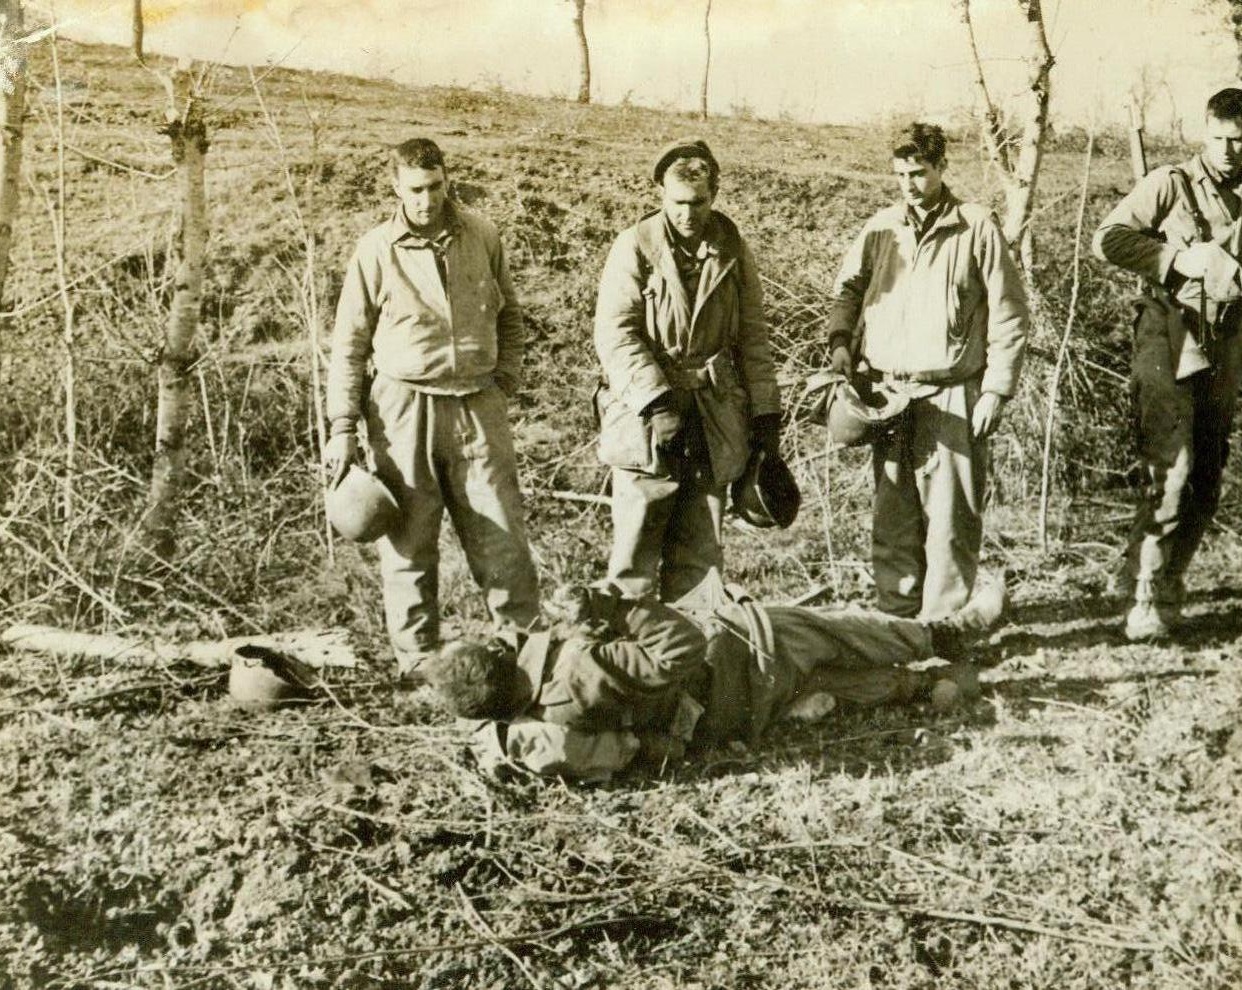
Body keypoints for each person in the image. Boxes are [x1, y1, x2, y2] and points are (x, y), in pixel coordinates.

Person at [423, 571, 1003, 782]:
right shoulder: (581, 668)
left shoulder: (526, 733)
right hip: (736, 663)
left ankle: (926, 686)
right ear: (503, 666)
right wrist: (613, 609)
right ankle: (941, 636)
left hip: (719, 719)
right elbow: (683, 644)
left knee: (822, 684)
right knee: (825, 631)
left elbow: (625, 750)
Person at [324, 138, 540, 678]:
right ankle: (418, 662)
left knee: (502, 534)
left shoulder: (482, 234)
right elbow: (350, 343)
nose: (426, 200)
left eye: (435, 187)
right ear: (396, 188)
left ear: (449, 181)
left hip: (477, 404)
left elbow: (510, 315)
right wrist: (343, 427)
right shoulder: (376, 249)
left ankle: (523, 652)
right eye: (415, 190)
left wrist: (503, 381)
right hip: (402, 409)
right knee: (410, 541)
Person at [826, 123, 1028, 621]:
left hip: (953, 391)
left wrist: (996, 390)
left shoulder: (975, 225)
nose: (909, 184)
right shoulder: (880, 228)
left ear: (941, 168)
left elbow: (1009, 312)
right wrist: (839, 344)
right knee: (892, 514)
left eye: (919, 173)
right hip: (888, 392)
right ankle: (896, 621)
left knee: (950, 519)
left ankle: (942, 626)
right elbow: (848, 290)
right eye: (900, 174)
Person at [593, 138, 782, 602]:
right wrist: (656, 403)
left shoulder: (731, 248)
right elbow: (616, 333)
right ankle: (632, 656)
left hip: (713, 415)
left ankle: (696, 654)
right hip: (646, 420)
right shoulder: (634, 246)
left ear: (713, 196)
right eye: (677, 202)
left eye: (697, 203)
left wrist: (765, 414)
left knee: (700, 552)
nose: (687, 214)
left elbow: (753, 336)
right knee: (636, 551)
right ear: (661, 195)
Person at [1092, 86, 1242, 640]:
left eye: (1240, 141)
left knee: (1207, 474)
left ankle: (1161, 580)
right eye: (1221, 139)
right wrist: (1177, 259)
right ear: (1205, 131)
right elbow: (1106, 239)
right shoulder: (1170, 185)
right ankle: (1146, 599)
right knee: (1171, 470)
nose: (1229, 151)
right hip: (1167, 337)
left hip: (1225, 347)